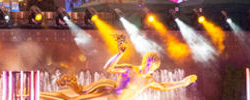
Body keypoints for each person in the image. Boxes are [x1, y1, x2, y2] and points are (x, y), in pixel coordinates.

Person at [40, 34, 197, 99]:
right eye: (148, 62)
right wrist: (120, 53)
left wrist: (182, 83)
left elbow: (164, 86)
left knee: (76, 95)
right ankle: (40, 95)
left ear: (155, 69)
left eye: (153, 66)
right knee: (79, 95)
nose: (149, 67)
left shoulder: (149, 80)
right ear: (144, 61)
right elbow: (109, 68)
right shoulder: (130, 69)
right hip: (108, 91)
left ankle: (41, 95)